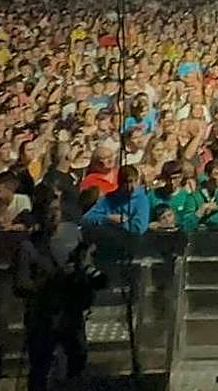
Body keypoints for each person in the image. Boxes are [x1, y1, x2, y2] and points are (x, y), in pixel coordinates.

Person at [14, 187, 91, 391]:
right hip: (42, 316)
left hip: (70, 312)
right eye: (49, 210)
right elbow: (21, 284)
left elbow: (86, 266)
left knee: (78, 361)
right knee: (41, 367)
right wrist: (49, 282)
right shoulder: (28, 246)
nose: (54, 214)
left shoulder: (73, 233)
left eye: (56, 209)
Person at [81, 166, 149, 235]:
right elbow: (87, 218)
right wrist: (108, 218)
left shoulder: (142, 200)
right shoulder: (110, 197)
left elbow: (139, 228)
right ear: (120, 182)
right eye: (127, 182)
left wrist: (122, 223)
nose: (131, 187)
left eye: (134, 181)